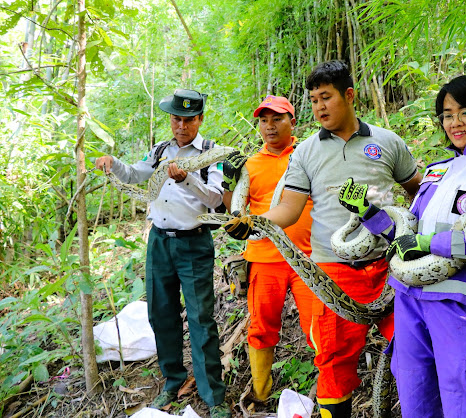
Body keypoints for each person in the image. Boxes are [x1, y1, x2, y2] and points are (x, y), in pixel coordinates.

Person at [224, 61, 422, 418]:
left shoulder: (388, 141)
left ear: (349, 95)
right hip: (333, 270)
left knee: (411, 346)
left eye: (326, 97)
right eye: (314, 100)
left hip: (388, 266)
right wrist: (254, 222)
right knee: (332, 360)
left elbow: (418, 192)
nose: (319, 107)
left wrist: (414, 235)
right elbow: (289, 208)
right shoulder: (307, 152)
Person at [354, 74, 466, 417]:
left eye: (465, 111)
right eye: (447, 114)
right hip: (409, 299)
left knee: (465, 393)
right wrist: (368, 213)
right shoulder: (437, 170)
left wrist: (427, 241)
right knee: (414, 392)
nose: (455, 122)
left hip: (458, 301)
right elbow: (404, 232)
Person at [95, 89, 231, 418]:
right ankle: (173, 382)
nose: (181, 126)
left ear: (199, 120)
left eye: (188, 120)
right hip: (159, 243)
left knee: (200, 318)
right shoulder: (159, 150)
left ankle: (214, 396)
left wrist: (186, 180)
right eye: (176, 119)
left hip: (194, 243)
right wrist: (113, 164)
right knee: (160, 314)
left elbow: (216, 200)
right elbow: (136, 174)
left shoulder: (212, 154)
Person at [220, 95, 315, 402]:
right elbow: (233, 215)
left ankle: (326, 391)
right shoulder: (249, 165)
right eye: (263, 120)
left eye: (277, 119)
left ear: (293, 121)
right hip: (263, 259)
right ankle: (261, 395)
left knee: (318, 325)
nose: (270, 126)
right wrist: (228, 183)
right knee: (261, 327)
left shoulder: (309, 154)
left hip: (308, 258)